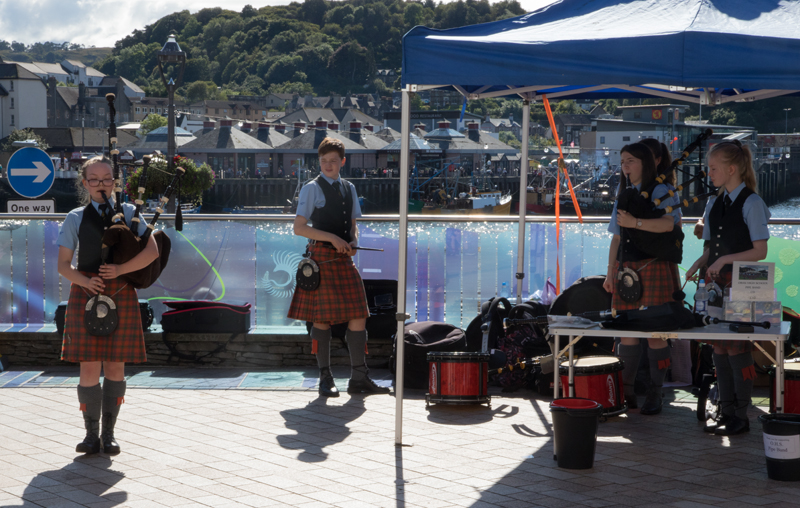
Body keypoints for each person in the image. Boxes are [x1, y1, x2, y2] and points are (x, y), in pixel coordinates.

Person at [57, 156, 158, 454]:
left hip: (121, 288)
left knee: (115, 365)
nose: (101, 185)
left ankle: (109, 434)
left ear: (115, 182)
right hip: (86, 291)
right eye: (94, 180)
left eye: (106, 179)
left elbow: (152, 252)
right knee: (88, 366)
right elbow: (63, 265)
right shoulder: (75, 217)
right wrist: (85, 282)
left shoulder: (131, 213)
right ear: (84, 183)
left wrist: (120, 270)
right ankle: (91, 435)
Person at [287, 137, 390, 397]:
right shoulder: (312, 188)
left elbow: (353, 226)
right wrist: (332, 238)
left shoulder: (349, 188)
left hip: (344, 260)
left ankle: (359, 378)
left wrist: (353, 242)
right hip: (321, 258)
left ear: (343, 162)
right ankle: (325, 378)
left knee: (359, 314)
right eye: (324, 161)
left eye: (333, 161)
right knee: (322, 319)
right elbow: (299, 228)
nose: (328, 165)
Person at [686, 140, 770, 436]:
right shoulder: (714, 202)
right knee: (719, 345)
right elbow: (713, 247)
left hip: (744, 282)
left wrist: (723, 260)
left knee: (737, 346)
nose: (708, 174)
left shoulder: (752, 203)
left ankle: (740, 415)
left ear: (731, 169)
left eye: (713, 169)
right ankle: (725, 409)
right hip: (715, 281)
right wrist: (699, 263)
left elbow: (760, 251)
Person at [603, 142, 683, 415]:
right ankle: (626, 393)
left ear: (645, 163)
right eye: (622, 161)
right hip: (626, 269)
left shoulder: (663, 190)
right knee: (627, 334)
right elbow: (616, 238)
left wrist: (635, 223)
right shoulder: (624, 194)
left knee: (655, 334)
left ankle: (655, 393)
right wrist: (610, 271)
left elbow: (669, 225)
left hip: (654, 266)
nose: (625, 166)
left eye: (631, 161)